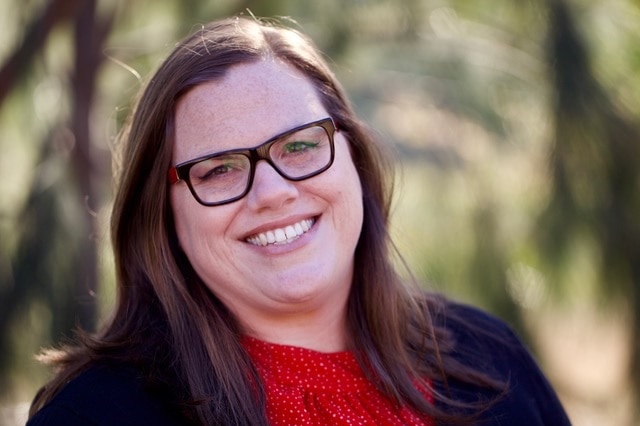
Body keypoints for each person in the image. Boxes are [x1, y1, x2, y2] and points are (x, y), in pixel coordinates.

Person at [27, 16, 571, 426]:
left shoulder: (490, 357)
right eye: (217, 170)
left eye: (301, 145)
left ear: (353, 157)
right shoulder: (96, 413)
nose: (273, 192)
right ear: (162, 217)